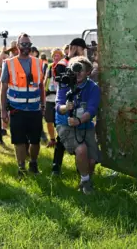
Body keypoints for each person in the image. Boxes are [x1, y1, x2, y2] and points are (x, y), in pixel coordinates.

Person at [0, 33, 45, 176]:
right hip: (16, 109)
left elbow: (41, 86)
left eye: (28, 44)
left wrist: (43, 106)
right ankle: (21, 168)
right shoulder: (8, 63)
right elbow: (3, 88)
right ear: (18, 46)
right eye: (23, 44)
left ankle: (33, 163)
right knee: (18, 140)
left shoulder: (39, 63)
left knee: (35, 140)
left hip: (34, 109)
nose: (26, 47)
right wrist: (3, 110)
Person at [56, 56, 101, 194]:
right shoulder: (65, 83)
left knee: (92, 161)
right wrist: (65, 107)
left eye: (81, 69)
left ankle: (84, 180)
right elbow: (58, 106)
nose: (78, 73)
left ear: (88, 72)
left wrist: (80, 120)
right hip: (66, 124)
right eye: (75, 69)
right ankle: (86, 183)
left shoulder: (93, 88)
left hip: (85, 124)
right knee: (81, 150)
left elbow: (92, 109)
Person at [52, 38, 88, 175]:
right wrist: (71, 57)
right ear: (73, 48)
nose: (82, 52)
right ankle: (56, 166)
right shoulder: (63, 62)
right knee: (62, 137)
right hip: (65, 102)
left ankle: (81, 168)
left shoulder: (84, 63)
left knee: (80, 136)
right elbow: (60, 76)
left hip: (81, 102)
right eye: (80, 49)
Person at [42, 48, 65, 148]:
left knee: (59, 121)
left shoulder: (64, 67)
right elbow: (45, 80)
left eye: (58, 56)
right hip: (48, 98)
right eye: (54, 56)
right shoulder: (50, 67)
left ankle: (61, 140)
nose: (56, 57)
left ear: (61, 57)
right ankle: (52, 139)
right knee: (49, 120)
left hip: (59, 99)